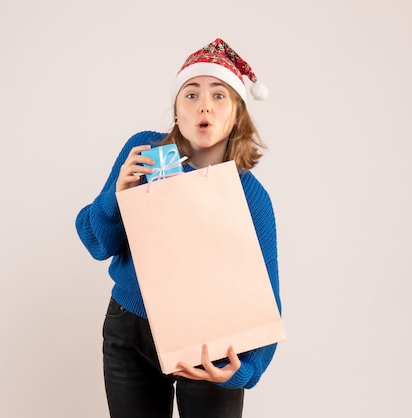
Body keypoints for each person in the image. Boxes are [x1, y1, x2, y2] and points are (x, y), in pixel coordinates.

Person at [75, 38, 281, 418]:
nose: (204, 104)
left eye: (219, 95)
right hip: (131, 330)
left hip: (212, 344)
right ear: (176, 111)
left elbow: (266, 299)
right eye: (191, 94)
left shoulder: (252, 198)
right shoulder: (144, 154)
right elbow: (97, 244)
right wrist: (117, 197)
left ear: (238, 114)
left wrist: (246, 369)